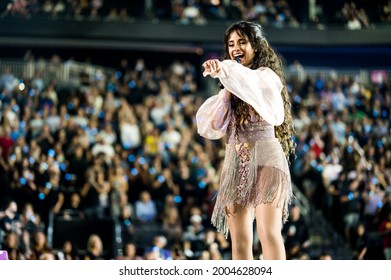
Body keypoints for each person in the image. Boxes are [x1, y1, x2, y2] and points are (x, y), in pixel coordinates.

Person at [196, 20, 295, 260]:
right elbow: (210, 126)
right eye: (231, 44)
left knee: (267, 232)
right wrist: (226, 85)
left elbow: (251, 83)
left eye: (242, 42)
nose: (236, 47)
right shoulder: (230, 84)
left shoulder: (266, 77)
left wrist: (226, 70)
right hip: (236, 162)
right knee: (239, 240)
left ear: (257, 46)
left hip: (266, 158)